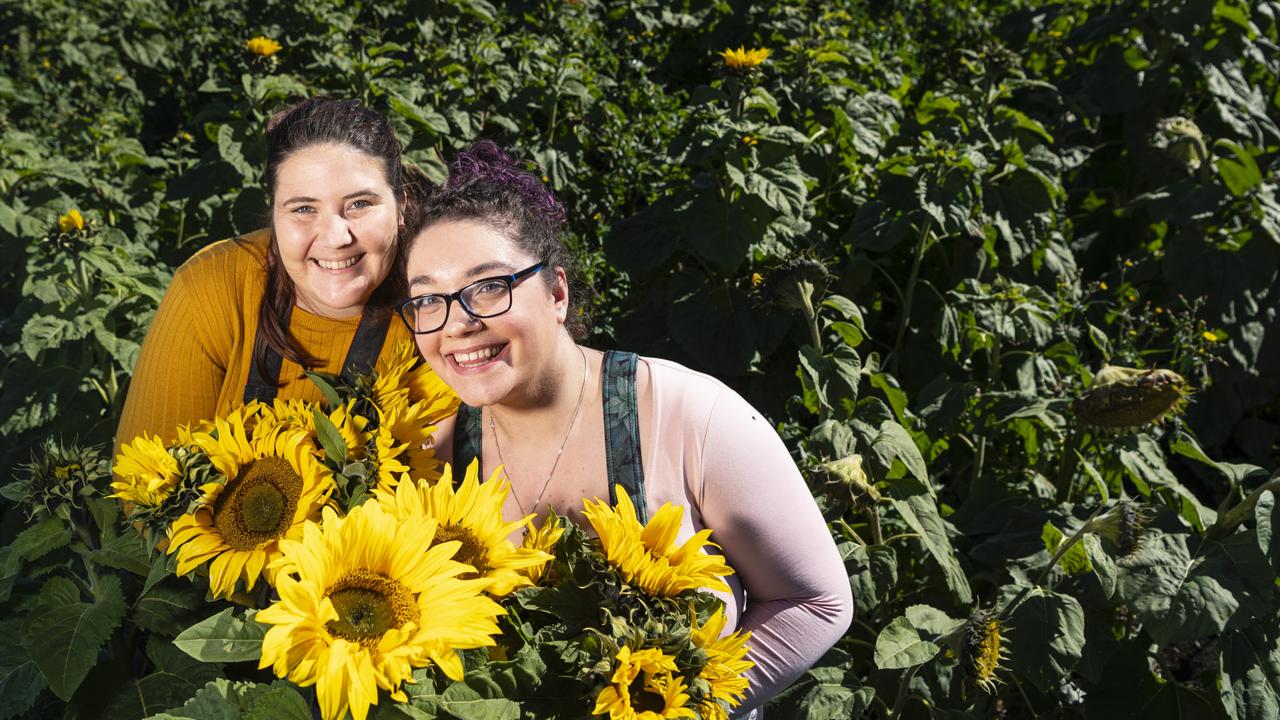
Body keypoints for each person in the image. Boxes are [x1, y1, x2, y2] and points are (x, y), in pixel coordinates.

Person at [398, 140, 853, 715]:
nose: (458, 323)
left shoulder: (688, 416)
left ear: (556, 292)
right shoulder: (431, 459)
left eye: (489, 286)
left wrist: (692, 705)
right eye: (427, 300)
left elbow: (816, 602)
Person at [115, 97, 423, 451]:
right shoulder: (212, 287)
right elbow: (143, 492)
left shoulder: (435, 308)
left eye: (359, 205)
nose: (336, 238)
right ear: (274, 214)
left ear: (401, 205)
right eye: (304, 209)